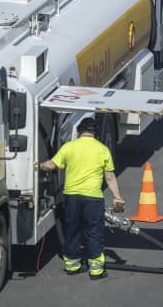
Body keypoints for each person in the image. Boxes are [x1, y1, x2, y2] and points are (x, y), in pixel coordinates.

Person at [36, 117, 125, 279]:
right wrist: (117, 197)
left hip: (72, 197)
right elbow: (110, 177)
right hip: (93, 197)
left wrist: (37, 165)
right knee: (94, 232)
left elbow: (51, 165)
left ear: (79, 131)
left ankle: (72, 266)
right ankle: (96, 270)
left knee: (73, 230)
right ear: (95, 133)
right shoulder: (102, 149)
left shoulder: (69, 147)